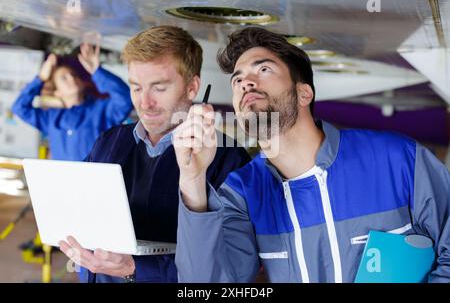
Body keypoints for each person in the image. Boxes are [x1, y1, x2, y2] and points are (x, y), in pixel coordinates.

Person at [173, 27, 450, 283]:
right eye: (238, 80)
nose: (246, 83)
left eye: (264, 69)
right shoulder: (243, 193)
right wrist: (192, 179)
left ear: (304, 93)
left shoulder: (397, 159)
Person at [58, 26, 251, 283]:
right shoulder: (110, 140)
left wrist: (135, 268)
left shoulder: (229, 158)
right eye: (136, 88)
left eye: (159, 88)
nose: (145, 103)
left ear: (192, 87)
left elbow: (230, 272)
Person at [12, 42, 133, 161]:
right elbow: (20, 108)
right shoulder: (50, 118)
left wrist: (97, 71)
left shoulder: (102, 109)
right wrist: (41, 78)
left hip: (96, 179)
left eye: (73, 74)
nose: (71, 78)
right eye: (64, 78)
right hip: (64, 179)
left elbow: (126, 98)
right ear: (57, 92)